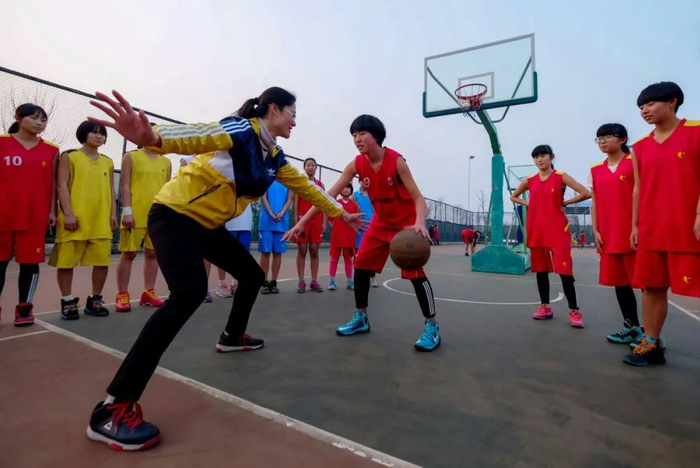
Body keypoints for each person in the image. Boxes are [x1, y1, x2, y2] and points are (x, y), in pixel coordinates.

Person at [85, 88, 364, 450]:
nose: (295, 122)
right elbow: (197, 134)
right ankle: (112, 408)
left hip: (206, 225)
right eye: (292, 114)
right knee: (189, 293)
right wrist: (153, 136)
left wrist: (340, 213)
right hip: (175, 215)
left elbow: (307, 188)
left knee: (252, 275)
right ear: (273, 109)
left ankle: (231, 337)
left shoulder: (273, 157)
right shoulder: (240, 130)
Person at [287, 114, 440, 352]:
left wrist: (419, 223)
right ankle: (361, 317)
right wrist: (301, 223)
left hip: (406, 224)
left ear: (376, 135)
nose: (357, 139)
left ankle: (432, 326)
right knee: (360, 265)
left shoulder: (397, 161)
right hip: (380, 223)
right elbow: (327, 196)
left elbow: (418, 198)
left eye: (362, 134)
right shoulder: (356, 164)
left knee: (415, 273)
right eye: (354, 135)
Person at [624, 82, 700, 366]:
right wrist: (635, 226)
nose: (644, 110)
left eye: (650, 104)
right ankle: (651, 343)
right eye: (641, 107)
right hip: (652, 227)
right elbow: (638, 188)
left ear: (672, 102)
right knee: (652, 286)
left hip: (689, 225)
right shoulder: (640, 147)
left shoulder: (696, 132)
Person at [510, 145, 591, 327]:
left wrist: (566, 202)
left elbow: (586, 193)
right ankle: (545, 307)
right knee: (541, 271)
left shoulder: (561, 177)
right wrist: (530, 204)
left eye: (543, 156)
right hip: (537, 230)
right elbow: (513, 197)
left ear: (551, 157)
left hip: (557, 231)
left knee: (565, 272)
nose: (539, 160)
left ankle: (574, 311)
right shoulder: (530, 180)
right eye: (536, 157)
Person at [49, 121, 117, 320]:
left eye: (102, 133)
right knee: (66, 262)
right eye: (94, 132)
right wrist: (68, 213)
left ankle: (95, 299)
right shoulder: (70, 156)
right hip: (75, 218)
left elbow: (111, 190)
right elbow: (61, 185)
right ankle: (68, 301)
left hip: (100, 219)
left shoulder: (108, 161)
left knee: (102, 262)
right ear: (83, 134)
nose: (99, 136)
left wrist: (113, 214)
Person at [0, 104, 59, 325]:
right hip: (3, 213)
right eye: (34, 118)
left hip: (35, 215)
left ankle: (25, 307)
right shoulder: (2, 142)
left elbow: (53, 183)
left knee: (30, 264)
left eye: (43, 120)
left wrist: (52, 210)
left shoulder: (52, 150)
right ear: (18, 118)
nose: (39, 123)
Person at [589, 123, 642, 345]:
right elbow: (595, 201)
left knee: (648, 284)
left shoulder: (635, 161)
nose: (602, 141)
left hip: (635, 233)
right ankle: (631, 327)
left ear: (622, 139)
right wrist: (595, 229)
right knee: (620, 283)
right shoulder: (595, 170)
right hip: (609, 234)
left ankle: (652, 335)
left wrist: (637, 226)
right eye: (599, 138)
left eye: (607, 136)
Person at [115, 145, 171, 312]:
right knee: (129, 253)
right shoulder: (131, 157)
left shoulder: (166, 162)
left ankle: (148, 292)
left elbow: (167, 190)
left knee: (153, 254)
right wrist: (127, 212)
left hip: (156, 215)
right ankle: (122, 295)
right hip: (134, 214)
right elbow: (125, 185)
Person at [180, 155, 214, 302]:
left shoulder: (212, 158)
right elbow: (183, 185)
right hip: (189, 210)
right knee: (187, 250)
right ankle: (186, 287)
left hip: (208, 210)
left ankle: (204, 288)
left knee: (206, 252)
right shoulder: (186, 160)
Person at [293, 158, 325, 292]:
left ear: (316, 168)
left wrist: (324, 222)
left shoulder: (320, 185)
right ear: (304, 167)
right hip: (302, 220)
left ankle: (314, 281)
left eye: (313, 165)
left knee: (314, 250)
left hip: (316, 221)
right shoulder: (300, 183)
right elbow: (295, 203)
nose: (311, 167)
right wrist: (296, 222)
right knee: (302, 250)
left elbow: (324, 204)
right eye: (308, 165)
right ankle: (301, 281)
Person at [259, 180, 292, 294]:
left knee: (278, 252)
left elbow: (289, 199)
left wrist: (282, 213)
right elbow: (263, 197)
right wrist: (271, 213)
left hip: (281, 222)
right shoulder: (267, 177)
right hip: (266, 221)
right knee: (265, 252)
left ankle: (273, 282)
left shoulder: (287, 181)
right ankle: (264, 282)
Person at [216, 204, 253, 297]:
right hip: (228, 219)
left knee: (243, 255)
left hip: (245, 221)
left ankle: (236, 282)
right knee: (223, 254)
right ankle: (222, 283)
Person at [328, 183, 359, 290]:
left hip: (349, 236)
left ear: (351, 191)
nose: (345, 189)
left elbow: (356, 221)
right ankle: (331, 282)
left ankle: (350, 281)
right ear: (340, 190)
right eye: (343, 187)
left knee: (348, 260)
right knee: (334, 259)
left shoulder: (354, 205)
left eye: (348, 188)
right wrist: (337, 228)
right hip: (337, 236)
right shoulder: (335, 203)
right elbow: (330, 219)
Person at [352, 179, 378, 288]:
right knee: (358, 254)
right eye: (363, 180)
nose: (365, 182)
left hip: (372, 227)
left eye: (367, 180)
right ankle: (357, 278)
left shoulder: (374, 194)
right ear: (359, 181)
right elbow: (351, 209)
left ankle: (372, 277)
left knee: (371, 254)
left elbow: (378, 210)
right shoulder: (355, 195)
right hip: (359, 228)